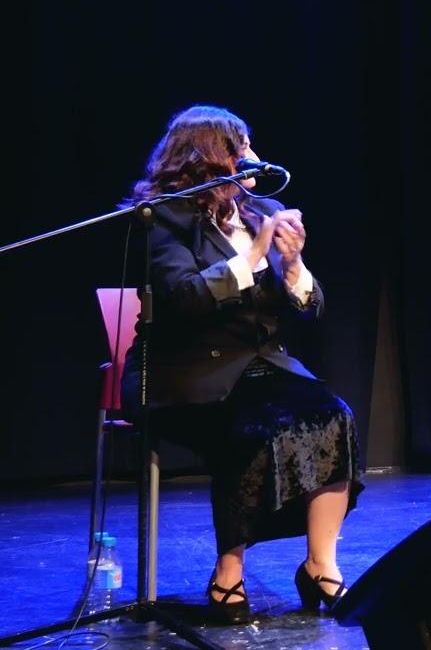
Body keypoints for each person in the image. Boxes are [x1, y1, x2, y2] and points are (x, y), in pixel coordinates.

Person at [119, 105, 364, 624]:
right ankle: (228, 570)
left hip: (262, 368)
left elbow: (310, 306)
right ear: (208, 157)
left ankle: (321, 565)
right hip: (185, 371)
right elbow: (186, 299)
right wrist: (253, 254)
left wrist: (293, 262)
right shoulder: (162, 218)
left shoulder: (258, 211)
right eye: (240, 147)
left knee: (334, 414)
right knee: (252, 432)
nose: (253, 158)